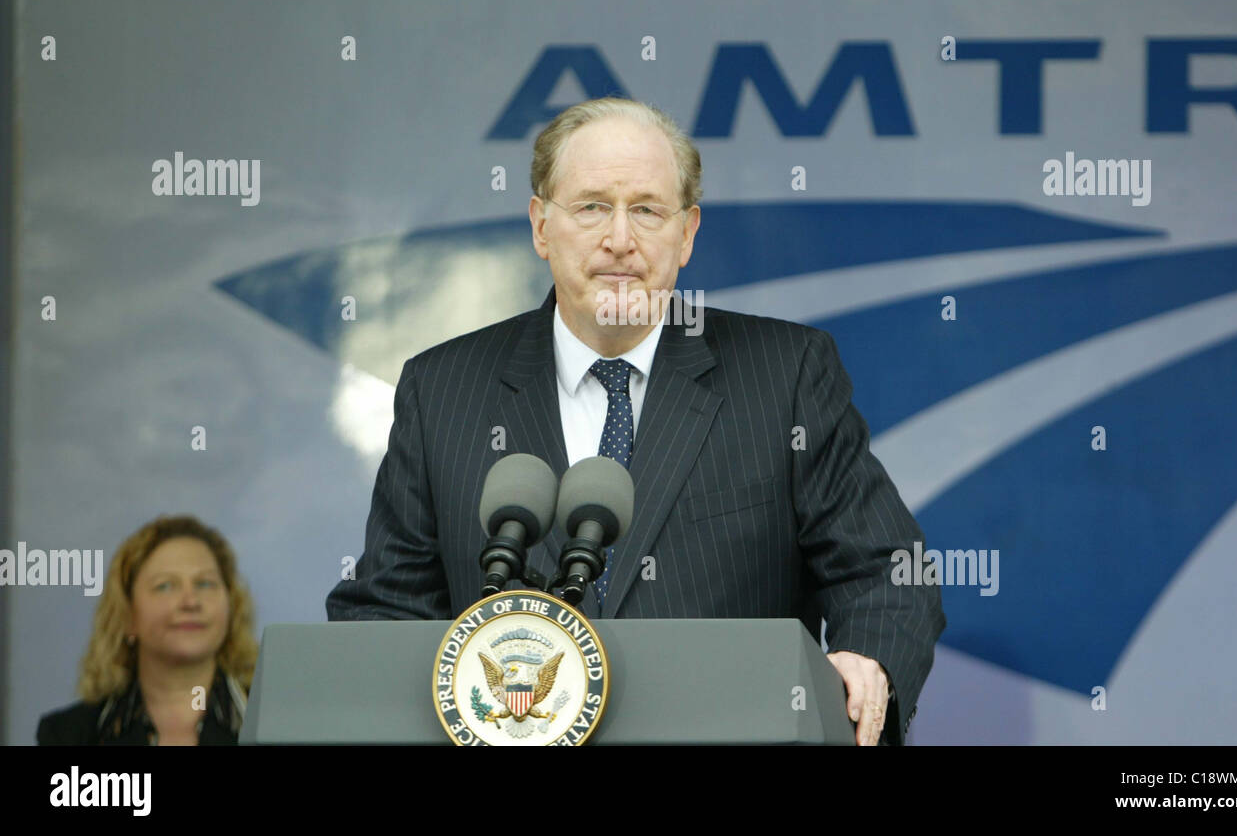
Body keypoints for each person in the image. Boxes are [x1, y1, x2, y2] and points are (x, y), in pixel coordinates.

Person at [327, 96, 945, 745]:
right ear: (541, 225)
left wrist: (867, 663)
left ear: (687, 233)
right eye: (592, 206)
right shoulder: (442, 389)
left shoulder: (786, 374)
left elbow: (886, 569)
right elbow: (384, 607)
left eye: (647, 210)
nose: (619, 239)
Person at [37, 514, 258, 745]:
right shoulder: (68, 735)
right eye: (165, 586)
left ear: (231, 605)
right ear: (127, 615)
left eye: (205, 583)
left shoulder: (281, 726)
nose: (191, 601)